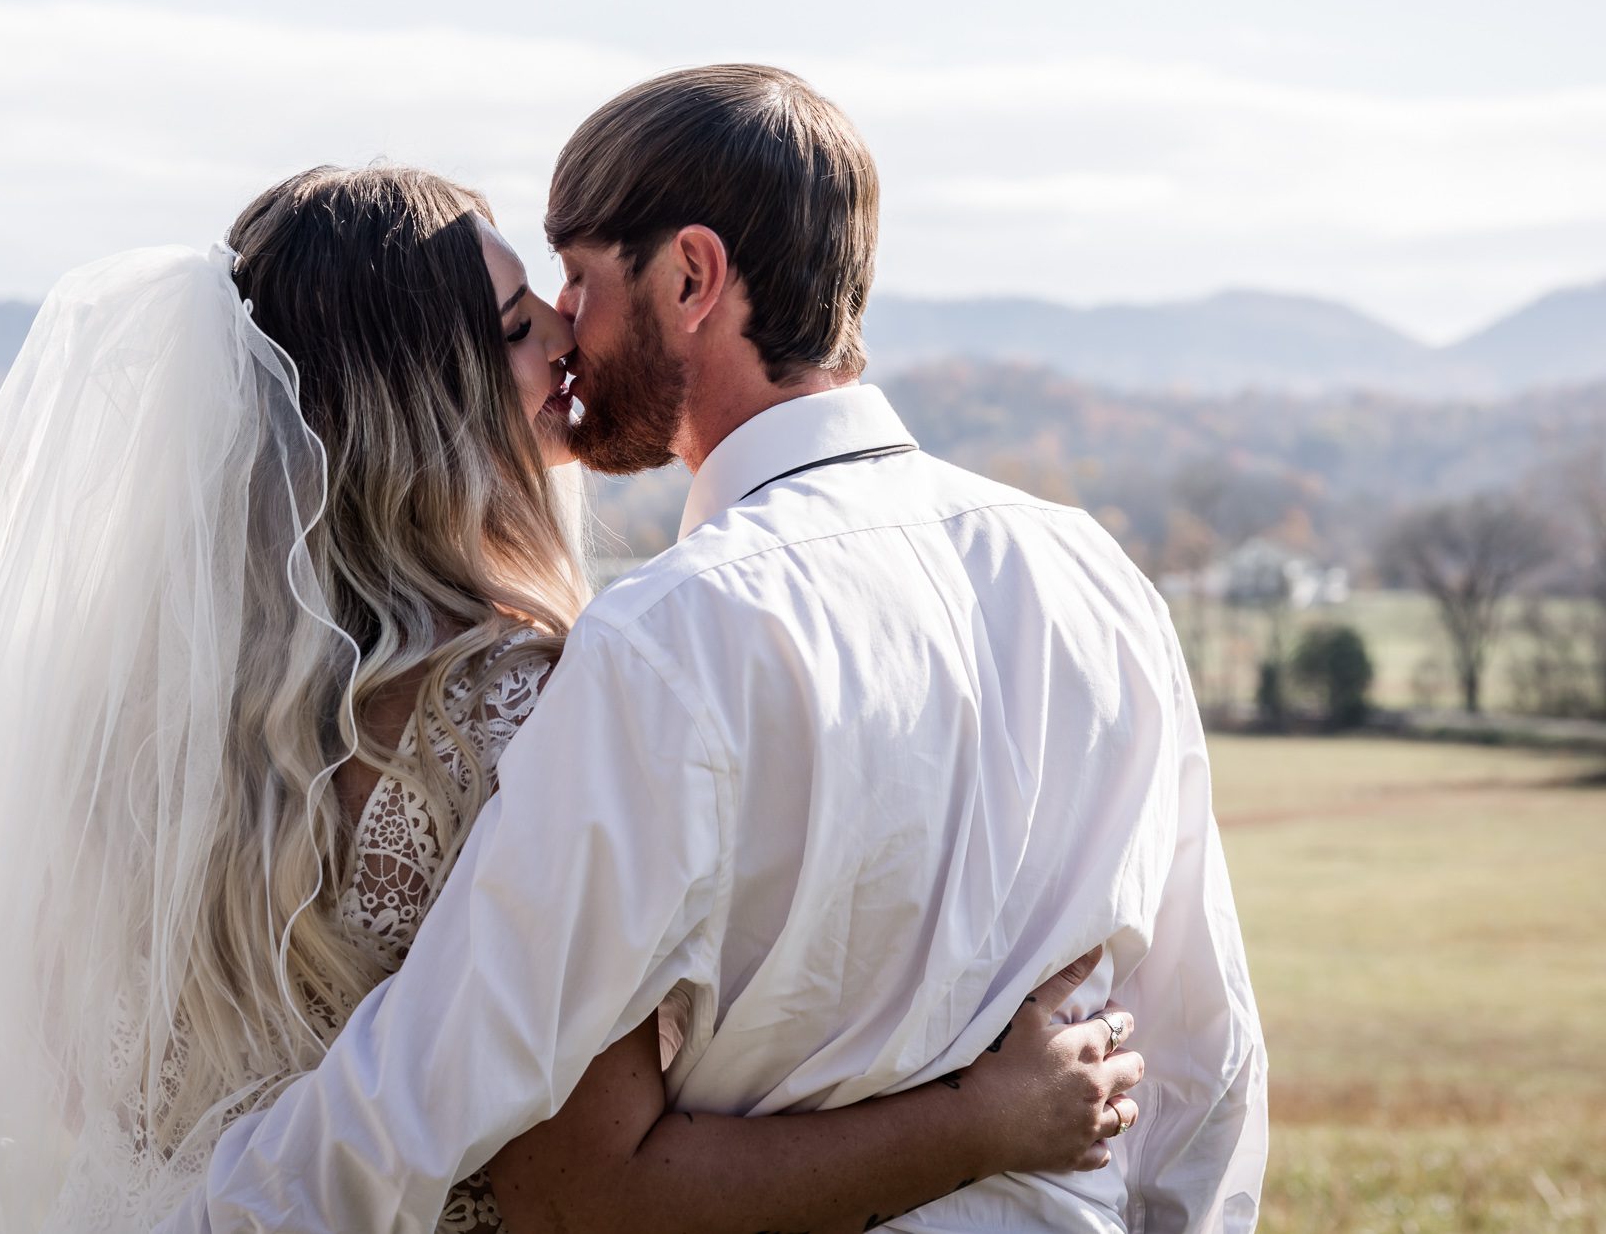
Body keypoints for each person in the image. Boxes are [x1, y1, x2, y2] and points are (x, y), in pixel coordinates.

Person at [0, 162, 1143, 1234]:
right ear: (429, 386)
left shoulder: (123, 716)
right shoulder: (532, 701)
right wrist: (986, 1116)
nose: (566, 357)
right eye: (524, 324)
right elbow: (583, 1177)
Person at [173, 69, 1268, 1234]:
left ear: (690, 275)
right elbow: (1204, 1053)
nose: (565, 332)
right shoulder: (1096, 578)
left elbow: (457, 1075)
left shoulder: (668, 639)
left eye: (580, 282)